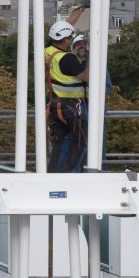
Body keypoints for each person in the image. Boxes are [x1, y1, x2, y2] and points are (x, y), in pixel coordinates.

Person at [44, 19, 89, 172]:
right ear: (66, 40)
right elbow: (87, 77)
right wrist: (91, 58)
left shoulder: (48, 52)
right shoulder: (67, 58)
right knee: (81, 142)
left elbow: (64, 26)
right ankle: (69, 173)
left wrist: (80, 10)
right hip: (73, 107)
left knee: (62, 142)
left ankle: (54, 172)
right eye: (70, 38)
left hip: (56, 106)